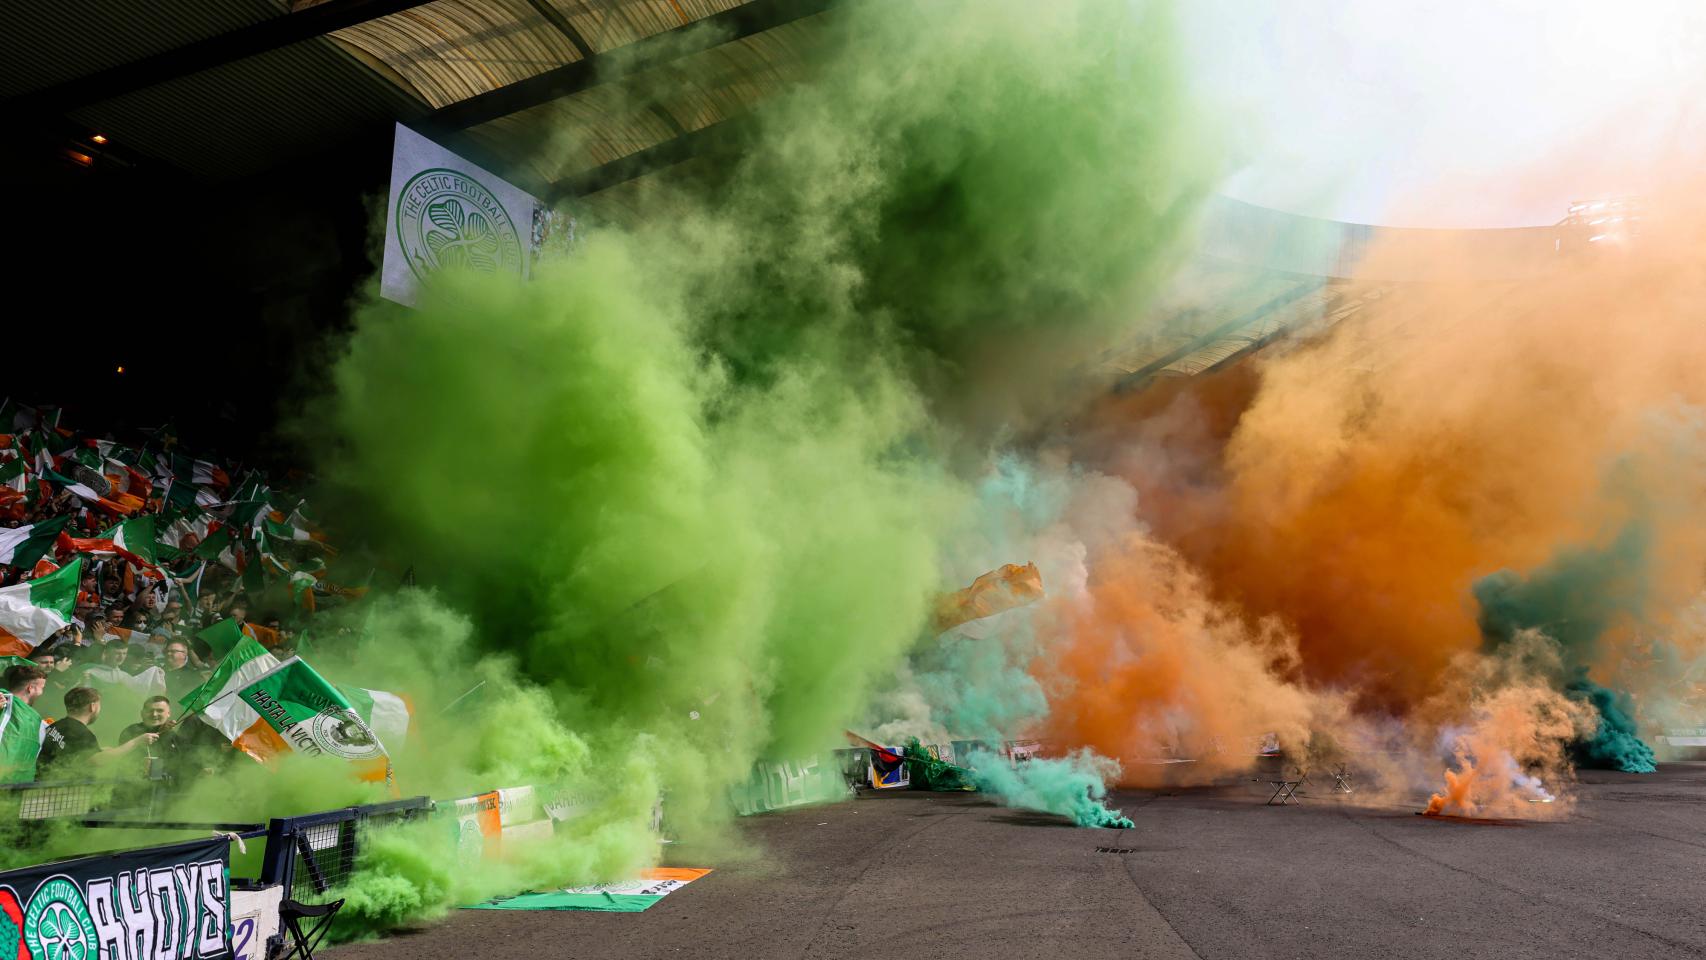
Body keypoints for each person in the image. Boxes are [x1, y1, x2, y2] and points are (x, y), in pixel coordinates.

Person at [38, 687, 157, 776]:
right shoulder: (81, 733)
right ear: (92, 706)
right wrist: (137, 741)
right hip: (61, 792)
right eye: (99, 706)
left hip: (42, 783)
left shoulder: (56, 726)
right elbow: (97, 761)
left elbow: (72, 753)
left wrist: (102, 750)